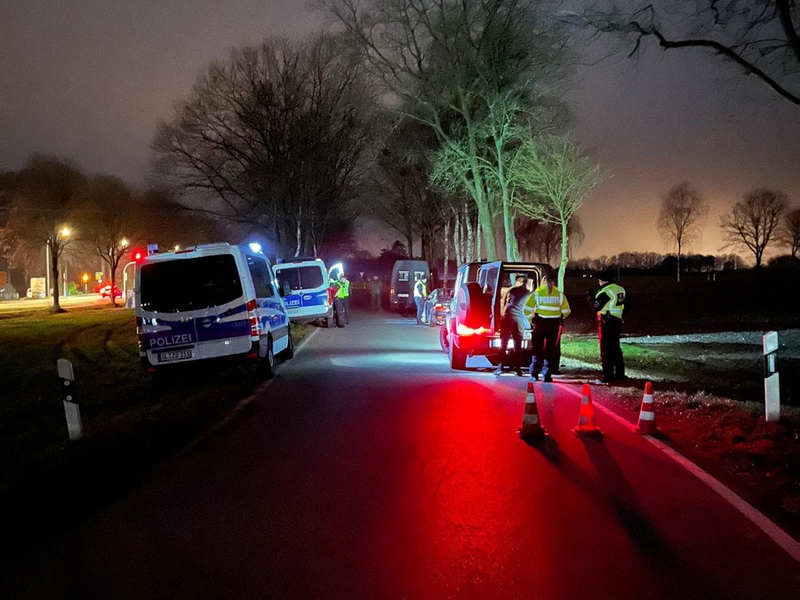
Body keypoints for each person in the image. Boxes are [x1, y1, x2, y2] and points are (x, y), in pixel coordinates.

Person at [527, 272, 571, 382]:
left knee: (537, 350)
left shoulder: (537, 294)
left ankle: (534, 374)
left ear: (542, 283)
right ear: (553, 283)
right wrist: (559, 317)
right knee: (550, 351)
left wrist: (531, 322)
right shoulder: (559, 295)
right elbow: (567, 311)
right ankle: (547, 375)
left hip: (539, 325)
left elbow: (526, 309)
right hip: (553, 326)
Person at [588, 269, 626, 383]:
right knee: (616, 348)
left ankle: (608, 376)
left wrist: (590, 298)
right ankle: (620, 374)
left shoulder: (606, 291)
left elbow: (596, 306)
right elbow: (627, 304)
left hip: (607, 321)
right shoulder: (620, 289)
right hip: (617, 320)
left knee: (606, 349)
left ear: (601, 280)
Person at [494, 276, 532, 377]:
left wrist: (501, 317)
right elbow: (531, 308)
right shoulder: (529, 293)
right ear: (528, 284)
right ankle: (517, 369)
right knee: (518, 345)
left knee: (504, 343)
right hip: (519, 320)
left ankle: (499, 367)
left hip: (507, 317)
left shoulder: (512, 290)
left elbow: (505, 304)